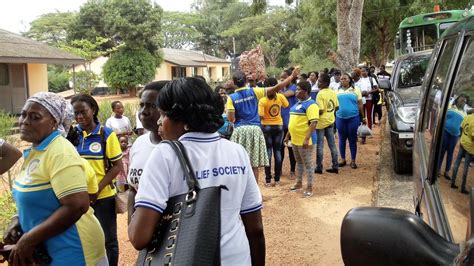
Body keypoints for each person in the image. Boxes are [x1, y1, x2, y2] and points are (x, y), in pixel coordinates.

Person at [128, 77, 265, 265]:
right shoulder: (237, 151)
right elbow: (256, 229)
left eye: (163, 114)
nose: (159, 121)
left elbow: (139, 238)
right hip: (236, 258)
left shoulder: (165, 155)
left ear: (183, 120)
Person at [6, 92, 106, 265]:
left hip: (74, 251)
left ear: (54, 122)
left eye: (34, 117)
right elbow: (41, 199)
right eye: (23, 114)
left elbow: (77, 205)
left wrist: (29, 239)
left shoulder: (60, 151)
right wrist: (17, 219)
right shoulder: (37, 152)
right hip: (51, 252)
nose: (25, 121)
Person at [71, 94, 123, 266]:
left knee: (108, 240)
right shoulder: (72, 135)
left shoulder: (106, 134)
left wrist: (96, 190)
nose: (79, 116)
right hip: (78, 198)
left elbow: (117, 166)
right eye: (76, 113)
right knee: (84, 238)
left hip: (102, 197)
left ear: (93, 110)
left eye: (83, 111)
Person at [227, 68, 299, 182]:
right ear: (246, 81)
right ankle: (254, 192)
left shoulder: (231, 98)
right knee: (254, 164)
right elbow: (276, 88)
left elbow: (231, 118)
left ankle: (242, 190)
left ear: (234, 83)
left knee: (240, 162)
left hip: (240, 130)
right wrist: (291, 77)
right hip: (256, 129)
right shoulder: (255, 91)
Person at [127, 81, 167, 223]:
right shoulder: (139, 143)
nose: (144, 111)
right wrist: (132, 223)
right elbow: (133, 189)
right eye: (142, 105)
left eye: (152, 106)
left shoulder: (178, 148)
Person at [285, 80, 319, 198]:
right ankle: (299, 183)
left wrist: (306, 139)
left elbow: (313, 123)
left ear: (305, 91)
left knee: (308, 164)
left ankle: (309, 187)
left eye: (299, 89)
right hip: (295, 140)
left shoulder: (311, 105)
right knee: (299, 162)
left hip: (306, 141)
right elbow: (292, 121)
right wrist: (288, 135)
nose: (296, 91)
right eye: (297, 89)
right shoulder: (297, 104)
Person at [258, 77, 289, 186]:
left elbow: (261, 115)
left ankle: (268, 180)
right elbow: (286, 105)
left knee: (268, 152)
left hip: (266, 127)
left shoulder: (262, 100)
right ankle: (277, 179)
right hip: (279, 126)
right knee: (278, 151)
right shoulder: (280, 97)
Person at [336, 73, 366, 169]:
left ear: (349, 79)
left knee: (352, 139)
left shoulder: (355, 89)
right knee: (342, 139)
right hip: (340, 118)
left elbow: (360, 104)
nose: (343, 80)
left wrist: (363, 117)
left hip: (353, 118)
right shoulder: (337, 90)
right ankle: (343, 159)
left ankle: (353, 161)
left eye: (345, 78)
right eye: (341, 79)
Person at [315, 73, 339, 174]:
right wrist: (330, 113)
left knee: (320, 146)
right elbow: (337, 107)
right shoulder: (333, 92)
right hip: (330, 121)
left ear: (325, 83)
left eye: (319, 81)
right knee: (332, 145)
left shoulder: (320, 94)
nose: (318, 83)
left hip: (321, 123)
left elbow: (320, 110)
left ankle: (319, 167)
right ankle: (335, 166)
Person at [440, 94, 467, 180]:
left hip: (455, 135)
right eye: (461, 100)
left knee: (450, 153)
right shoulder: (449, 106)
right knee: (442, 151)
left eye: (464, 102)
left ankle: (447, 172)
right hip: (445, 132)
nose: (463, 102)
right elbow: (442, 117)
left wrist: (461, 137)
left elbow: (463, 127)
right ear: (457, 100)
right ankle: (437, 170)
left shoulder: (464, 113)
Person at [280, 69, 298, 180]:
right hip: (281, 123)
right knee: (280, 148)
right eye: (281, 78)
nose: (281, 80)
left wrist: (277, 87)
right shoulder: (282, 88)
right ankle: (280, 169)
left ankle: (292, 171)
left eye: (283, 78)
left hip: (290, 123)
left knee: (291, 148)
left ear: (289, 78)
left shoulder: (294, 88)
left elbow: (285, 95)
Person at [450, 112, 474, 195]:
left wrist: (462, 137)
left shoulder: (468, 116)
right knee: (466, 166)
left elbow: (461, 127)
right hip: (470, 147)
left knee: (457, 162)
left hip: (463, 142)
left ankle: (452, 182)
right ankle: (463, 187)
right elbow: (473, 136)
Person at [358, 67, 379, 143]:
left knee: (369, 115)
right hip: (361, 100)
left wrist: (369, 92)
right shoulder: (359, 80)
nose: (363, 72)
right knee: (362, 116)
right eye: (361, 71)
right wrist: (362, 93)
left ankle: (369, 131)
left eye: (364, 71)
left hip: (369, 99)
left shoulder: (371, 79)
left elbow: (377, 88)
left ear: (367, 72)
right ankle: (362, 132)